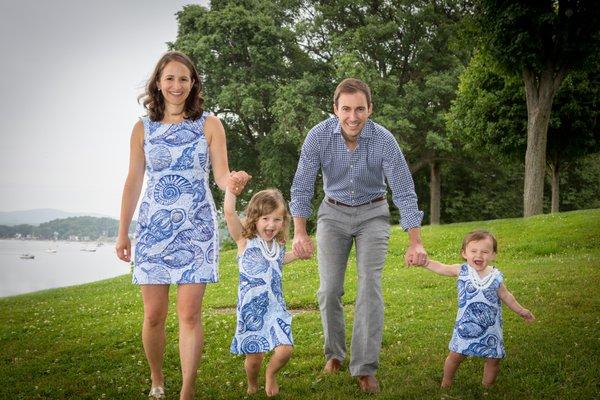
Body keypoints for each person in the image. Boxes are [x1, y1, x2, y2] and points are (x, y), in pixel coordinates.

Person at [115, 51, 248, 400]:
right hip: (151, 229)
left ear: (193, 84)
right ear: (158, 83)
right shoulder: (142, 128)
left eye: (184, 79)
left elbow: (220, 175)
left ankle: (187, 391)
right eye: (170, 78)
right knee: (154, 315)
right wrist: (122, 232)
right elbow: (133, 181)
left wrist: (231, 182)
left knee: (190, 315)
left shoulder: (210, 125)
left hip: (196, 228)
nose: (177, 85)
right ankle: (157, 380)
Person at [290, 78, 427, 393]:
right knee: (328, 291)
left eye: (360, 109)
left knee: (369, 287)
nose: (353, 117)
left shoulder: (383, 140)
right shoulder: (319, 136)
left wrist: (415, 240)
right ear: (335, 108)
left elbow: (404, 191)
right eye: (346, 109)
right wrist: (299, 232)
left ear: (370, 109)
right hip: (332, 214)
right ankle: (334, 354)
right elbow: (301, 185)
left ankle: (364, 368)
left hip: (373, 214)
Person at [415, 230, 535, 388]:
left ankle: (487, 387)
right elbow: (443, 268)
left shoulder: (496, 276)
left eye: (485, 251)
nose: (479, 255)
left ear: (493, 255)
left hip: (491, 329)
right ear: (464, 253)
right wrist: (426, 263)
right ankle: (446, 381)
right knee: (456, 355)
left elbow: (507, 296)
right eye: (473, 251)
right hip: (466, 326)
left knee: (494, 359)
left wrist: (522, 311)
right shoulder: (462, 271)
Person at [223, 178, 299, 397]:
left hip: (276, 309)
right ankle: (253, 381)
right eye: (266, 218)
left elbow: (279, 260)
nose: (271, 225)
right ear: (255, 219)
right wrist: (231, 191)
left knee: (285, 350)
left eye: (277, 219)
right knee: (254, 359)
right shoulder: (244, 241)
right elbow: (229, 212)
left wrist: (296, 255)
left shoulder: (277, 245)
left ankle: (271, 374)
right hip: (251, 311)